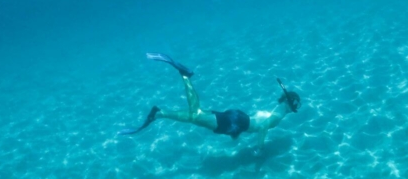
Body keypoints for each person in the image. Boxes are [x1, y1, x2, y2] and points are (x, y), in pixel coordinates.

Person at [118, 53, 301, 155]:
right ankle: (185, 76)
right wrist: (259, 150)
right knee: (196, 114)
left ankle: (160, 113)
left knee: (194, 117)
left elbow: (259, 121)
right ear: (290, 103)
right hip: (237, 122)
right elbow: (262, 128)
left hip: (238, 120)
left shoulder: (279, 109)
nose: (297, 107)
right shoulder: (279, 116)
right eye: (296, 104)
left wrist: (237, 132)